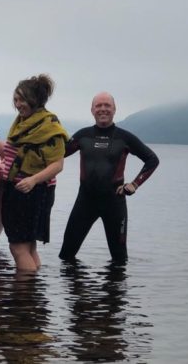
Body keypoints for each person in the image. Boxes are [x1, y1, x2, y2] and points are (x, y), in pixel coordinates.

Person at [59, 92, 159, 263]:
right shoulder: (83, 135)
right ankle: (76, 289)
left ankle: (114, 290)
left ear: (114, 109)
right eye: (99, 106)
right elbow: (56, 155)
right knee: (66, 256)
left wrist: (134, 184)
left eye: (107, 105)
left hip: (114, 202)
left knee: (119, 260)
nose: (103, 109)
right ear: (92, 110)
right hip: (85, 201)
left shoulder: (124, 137)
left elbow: (152, 160)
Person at [0, 74, 69, 271]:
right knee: (28, 246)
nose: (18, 104)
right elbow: (16, 152)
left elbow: (57, 164)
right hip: (20, 190)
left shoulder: (49, 126)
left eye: (22, 99)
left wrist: (33, 180)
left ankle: (24, 296)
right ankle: (33, 295)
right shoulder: (23, 122)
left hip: (32, 192)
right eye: (16, 100)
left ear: (34, 99)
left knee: (18, 247)